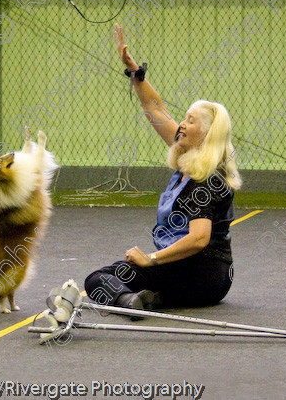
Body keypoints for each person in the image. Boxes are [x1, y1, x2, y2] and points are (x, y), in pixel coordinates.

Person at [83, 23, 242, 313]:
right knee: (107, 277)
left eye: (190, 121)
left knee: (98, 280)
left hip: (202, 274)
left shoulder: (207, 179)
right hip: (194, 271)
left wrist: (151, 259)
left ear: (207, 134)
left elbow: (199, 239)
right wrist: (135, 72)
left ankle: (132, 301)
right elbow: (155, 109)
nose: (181, 124)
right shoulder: (189, 151)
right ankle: (140, 299)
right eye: (183, 118)